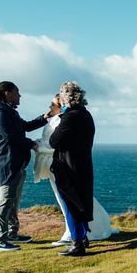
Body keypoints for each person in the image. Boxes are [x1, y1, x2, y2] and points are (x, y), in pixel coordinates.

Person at [33, 94, 118, 245]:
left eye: (53, 104)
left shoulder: (65, 119)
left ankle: (76, 235)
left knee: (70, 201)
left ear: (62, 104)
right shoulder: (61, 117)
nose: (50, 107)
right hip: (56, 163)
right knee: (67, 200)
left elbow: (55, 143)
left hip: (62, 164)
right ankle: (80, 233)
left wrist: (37, 147)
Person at [0, 81, 50, 252]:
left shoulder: (8, 111)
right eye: (17, 92)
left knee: (13, 201)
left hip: (16, 163)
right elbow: (10, 137)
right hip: (6, 163)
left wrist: (45, 117)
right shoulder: (0, 112)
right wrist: (32, 144)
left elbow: (25, 126)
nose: (20, 96)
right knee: (5, 200)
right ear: (7, 93)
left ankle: (12, 233)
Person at [49, 82, 96, 257]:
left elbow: (54, 141)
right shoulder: (86, 115)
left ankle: (77, 243)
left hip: (68, 167)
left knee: (71, 205)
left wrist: (60, 117)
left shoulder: (70, 117)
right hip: (83, 165)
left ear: (65, 98)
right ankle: (83, 237)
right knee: (80, 203)